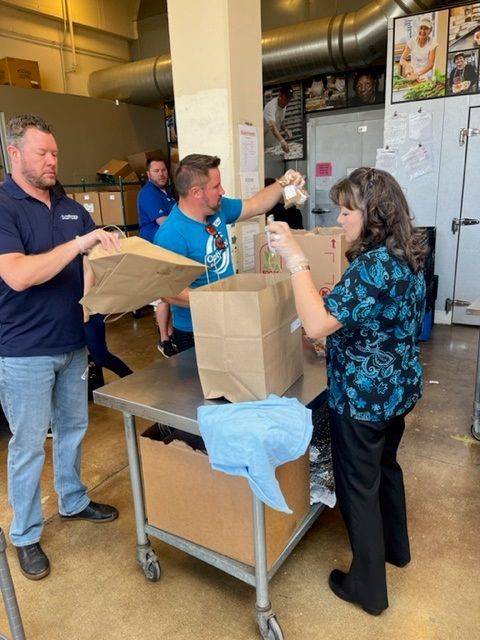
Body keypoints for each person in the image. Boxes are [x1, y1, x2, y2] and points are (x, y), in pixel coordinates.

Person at [267, 167, 428, 616]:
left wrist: (297, 260)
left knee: (358, 487)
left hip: (363, 397)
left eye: (346, 210)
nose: (339, 220)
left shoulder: (373, 266)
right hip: (396, 388)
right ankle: (396, 549)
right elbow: (379, 320)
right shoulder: (408, 252)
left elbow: (317, 322)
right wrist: (338, 338)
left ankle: (367, 588)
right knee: (385, 469)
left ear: (372, 213)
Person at [0, 114, 121, 581]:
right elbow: (18, 274)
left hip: (72, 341)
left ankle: (72, 500)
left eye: (55, 153)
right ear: (15, 155)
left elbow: (89, 264)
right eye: (42, 153)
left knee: (73, 427)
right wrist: (79, 244)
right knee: (29, 444)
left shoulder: (70, 206)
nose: (53, 161)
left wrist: (99, 284)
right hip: (24, 350)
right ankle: (26, 534)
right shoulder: (5, 206)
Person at [154, 154, 304, 353]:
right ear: (196, 192)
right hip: (196, 332)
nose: (222, 191)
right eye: (216, 186)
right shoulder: (171, 234)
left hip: (229, 317)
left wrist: (283, 183)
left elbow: (256, 204)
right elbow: (169, 292)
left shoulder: (218, 209)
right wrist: (222, 301)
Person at [137, 157, 177, 357]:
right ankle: (164, 340)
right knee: (163, 296)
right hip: (155, 250)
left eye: (163, 170)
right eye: (156, 171)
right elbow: (165, 222)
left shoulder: (166, 193)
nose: (161, 174)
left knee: (172, 293)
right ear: (148, 174)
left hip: (167, 250)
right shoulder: (148, 194)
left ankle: (170, 333)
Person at [399, 17, 438, 82]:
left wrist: (418, 74)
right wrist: (408, 66)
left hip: (426, 74)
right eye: (421, 28)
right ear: (418, 29)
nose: (422, 31)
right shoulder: (411, 42)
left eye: (426, 29)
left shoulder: (433, 44)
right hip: (413, 74)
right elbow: (402, 59)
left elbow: (431, 64)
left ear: (430, 31)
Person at [263, 84, 293, 154]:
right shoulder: (270, 107)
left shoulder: (284, 106)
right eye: (286, 99)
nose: (287, 103)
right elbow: (272, 126)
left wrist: (286, 129)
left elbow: (280, 121)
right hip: (265, 145)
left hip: (275, 144)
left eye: (289, 100)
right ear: (280, 95)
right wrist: (282, 141)